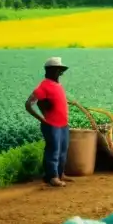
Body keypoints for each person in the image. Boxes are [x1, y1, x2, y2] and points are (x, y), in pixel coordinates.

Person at [24, 57, 71, 187]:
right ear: (50, 71)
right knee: (53, 151)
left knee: (62, 150)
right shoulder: (43, 86)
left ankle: (60, 174)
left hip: (63, 124)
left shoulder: (58, 85)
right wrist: (41, 119)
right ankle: (52, 177)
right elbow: (28, 104)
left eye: (60, 70)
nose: (60, 73)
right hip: (52, 125)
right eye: (57, 70)